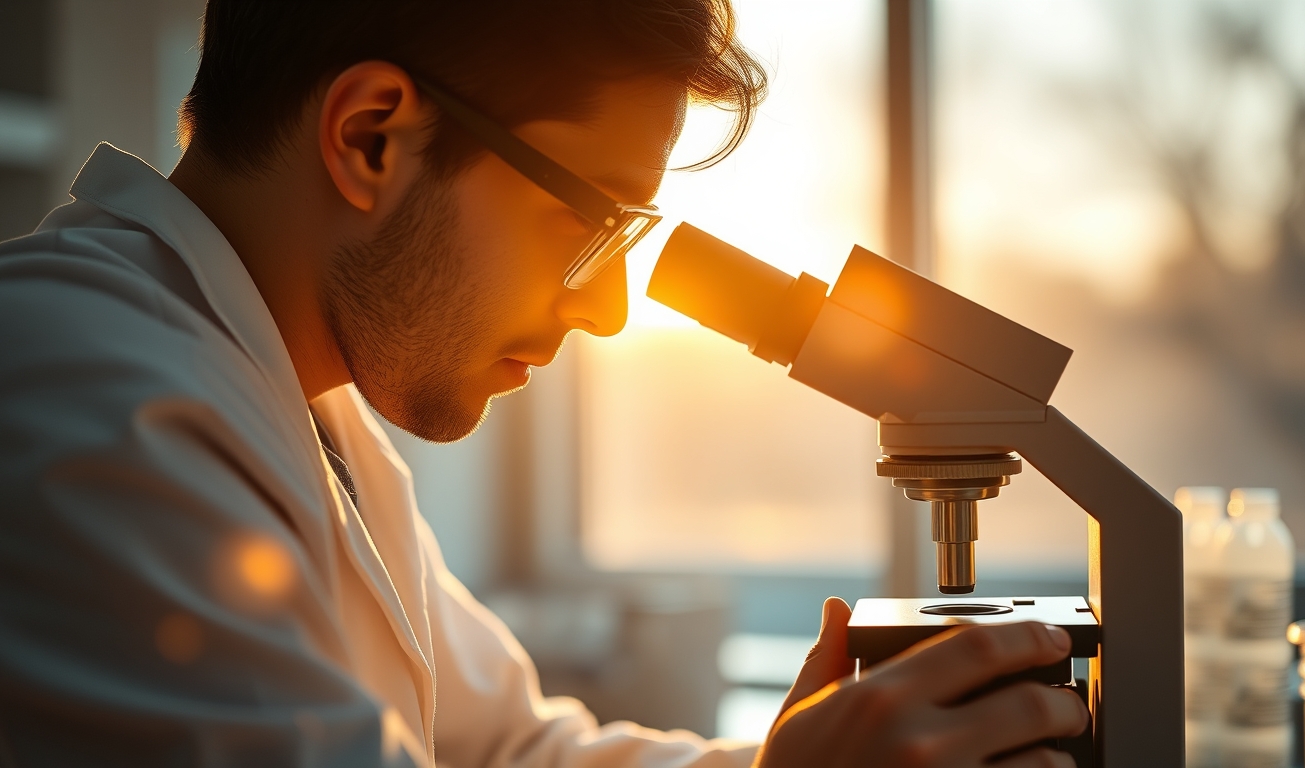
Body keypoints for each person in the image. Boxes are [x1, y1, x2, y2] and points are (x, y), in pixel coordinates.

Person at [0, 1, 1089, 765]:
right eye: (593, 220)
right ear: (372, 136)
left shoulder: (307, 409)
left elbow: (509, 751)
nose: (606, 310)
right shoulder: (87, 393)